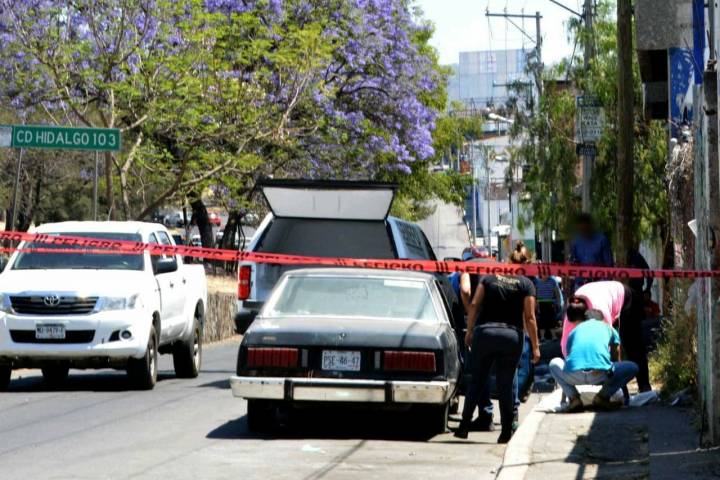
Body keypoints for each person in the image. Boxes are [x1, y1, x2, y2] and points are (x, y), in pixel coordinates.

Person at [455, 242, 540, 443]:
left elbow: (474, 303)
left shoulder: (489, 277)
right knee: (506, 383)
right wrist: (536, 347)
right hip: (511, 336)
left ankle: (464, 426)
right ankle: (505, 432)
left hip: (485, 333)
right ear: (526, 265)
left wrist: (470, 330)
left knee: (477, 380)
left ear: (508, 261)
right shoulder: (526, 284)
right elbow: (529, 318)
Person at [559, 280, 651, 392]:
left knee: (631, 342)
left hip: (625, 296)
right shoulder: (571, 313)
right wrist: (574, 366)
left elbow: (606, 342)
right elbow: (565, 344)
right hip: (599, 293)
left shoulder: (599, 311)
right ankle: (611, 388)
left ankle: (644, 386)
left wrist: (599, 367)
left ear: (586, 317)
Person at [549, 309, 639, 412]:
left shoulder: (574, 331)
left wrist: (566, 397)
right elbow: (616, 356)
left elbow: (569, 360)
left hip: (574, 375)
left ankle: (574, 399)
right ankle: (602, 397)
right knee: (633, 367)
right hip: (599, 374)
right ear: (602, 320)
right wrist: (622, 391)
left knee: (554, 363)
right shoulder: (608, 328)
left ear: (584, 320)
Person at [569, 213, 613, 290]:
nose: (583, 228)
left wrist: (606, 283)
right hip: (580, 284)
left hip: (599, 284)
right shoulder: (575, 241)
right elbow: (572, 261)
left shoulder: (602, 240)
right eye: (581, 227)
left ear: (590, 226)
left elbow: (609, 264)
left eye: (585, 226)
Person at [534, 274, 563, 340]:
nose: (545, 275)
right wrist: (535, 303)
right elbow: (535, 294)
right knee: (541, 320)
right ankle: (542, 337)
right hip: (540, 303)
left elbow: (557, 293)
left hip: (550, 302)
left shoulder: (553, 281)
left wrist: (558, 303)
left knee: (551, 319)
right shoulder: (537, 281)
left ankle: (553, 336)